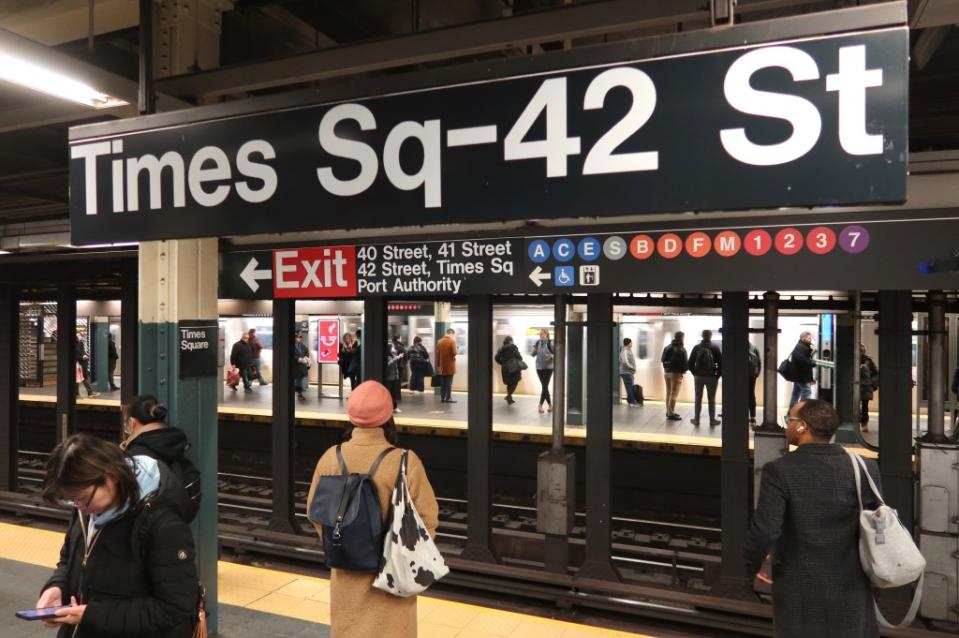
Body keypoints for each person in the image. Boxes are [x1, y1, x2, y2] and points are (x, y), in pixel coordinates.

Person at [306, 381, 439, 638]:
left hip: (346, 581)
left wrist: (346, 543)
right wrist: (400, 553)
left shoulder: (331, 457)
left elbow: (315, 512)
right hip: (393, 583)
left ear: (351, 416)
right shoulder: (405, 461)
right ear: (388, 416)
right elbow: (428, 519)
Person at [36, 433, 199, 637]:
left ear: (112, 476)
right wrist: (57, 587)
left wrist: (92, 615)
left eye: (83, 499)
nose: (79, 507)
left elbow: (174, 608)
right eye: (72, 500)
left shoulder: (162, 524)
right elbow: (69, 560)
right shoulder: (86, 510)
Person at [744, 399, 882, 638]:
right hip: (851, 587)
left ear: (803, 426)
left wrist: (749, 566)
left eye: (790, 420)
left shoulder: (779, 471)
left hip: (800, 591)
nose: (787, 425)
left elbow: (766, 530)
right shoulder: (864, 468)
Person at [120, 395, 201, 523]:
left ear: (131, 423)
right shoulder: (177, 445)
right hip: (174, 527)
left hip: (144, 532)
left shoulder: (135, 457)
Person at [687, 329, 721, 426]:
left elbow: (689, 363)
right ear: (710, 336)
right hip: (711, 377)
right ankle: (712, 420)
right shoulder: (715, 348)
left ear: (702, 336)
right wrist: (717, 376)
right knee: (711, 399)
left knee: (698, 398)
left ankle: (696, 419)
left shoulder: (696, 348)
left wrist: (695, 373)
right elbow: (721, 363)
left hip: (699, 377)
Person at [661, 331, 687, 420]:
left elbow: (662, 359)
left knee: (668, 392)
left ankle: (669, 412)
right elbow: (685, 363)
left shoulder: (667, 347)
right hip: (676, 373)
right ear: (681, 337)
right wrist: (683, 371)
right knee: (674, 394)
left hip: (667, 372)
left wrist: (667, 368)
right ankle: (671, 413)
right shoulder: (682, 349)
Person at [789, 331, 817, 407]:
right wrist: (812, 363)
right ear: (803, 338)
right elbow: (803, 361)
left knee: (796, 394)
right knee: (807, 392)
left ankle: (791, 412)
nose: (810, 339)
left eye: (810, 338)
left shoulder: (802, 346)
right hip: (802, 376)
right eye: (809, 338)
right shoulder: (801, 347)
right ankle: (802, 412)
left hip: (799, 376)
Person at [494, 336, 524, 404]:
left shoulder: (501, 348)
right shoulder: (513, 347)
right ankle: (509, 395)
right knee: (515, 381)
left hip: (505, 369)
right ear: (510, 341)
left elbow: (496, 358)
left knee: (509, 383)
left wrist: (502, 363)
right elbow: (519, 357)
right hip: (513, 368)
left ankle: (509, 398)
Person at [531, 328, 555, 414]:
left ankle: (540, 405)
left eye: (542, 334)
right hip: (539, 368)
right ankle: (550, 405)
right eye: (539, 334)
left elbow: (558, 353)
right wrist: (534, 350)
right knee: (544, 386)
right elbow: (532, 355)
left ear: (546, 334)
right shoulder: (538, 343)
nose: (540, 336)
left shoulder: (551, 343)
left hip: (548, 368)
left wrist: (551, 357)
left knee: (544, 386)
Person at [859, 344, 879, 433]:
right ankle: (859, 422)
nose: (861, 352)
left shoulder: (868, 360)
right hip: (857, 386)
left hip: (865, 387)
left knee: (864, 407)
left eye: (862, 350)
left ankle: (864, 424)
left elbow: (876, 373)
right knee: (855, 407)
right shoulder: (852, 360)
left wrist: (871, 382)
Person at [436, 328, 457, 403]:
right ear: (451, 333)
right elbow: (454, 353)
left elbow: (438, 355)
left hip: (442, 366)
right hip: (450, 366)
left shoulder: (439, 341)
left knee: (443, 383)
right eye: (453, 335)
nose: (453, 336)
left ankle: (442, 397)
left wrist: (438, 366)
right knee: (449, 383)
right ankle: (448, 398)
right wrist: (456, 349)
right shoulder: (452, 341)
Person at [75, 333, 100, 398]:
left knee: (80, 378)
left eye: (80, 335)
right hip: (78, 364)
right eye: (79, 335)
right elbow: (76, 354)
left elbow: (81, 352)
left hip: (80, 363)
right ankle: (89, 392)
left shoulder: (80, 343)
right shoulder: (77, 344)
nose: (80, 336)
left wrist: (85, 355)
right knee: (82, 378)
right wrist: (82, 357)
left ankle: (79, 393)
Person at [619, 338, 640, 407]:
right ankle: (632, 402)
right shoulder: (625, 350)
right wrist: (632, 367)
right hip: (626, 372)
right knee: (629, 387)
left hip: (628, 372)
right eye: (631, 342)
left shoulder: (627, 350)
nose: (632, 344)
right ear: (629, 343)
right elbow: (625, 361)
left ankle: (630, 400)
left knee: (630, 387)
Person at [385, 340, 404, 412]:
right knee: (389, 394)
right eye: (392, 347)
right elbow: (388, 364)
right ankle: (391, 407)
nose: (394, 348)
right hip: (389, 378)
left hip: (395, 377)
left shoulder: (392, 355)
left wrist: (398, 357)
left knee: (393, 393)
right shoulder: (387, 356)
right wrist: (396, 358)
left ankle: (394, 407)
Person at [748, 342, 762, 425]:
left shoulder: (738, 347)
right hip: (752, 374)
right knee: (751, 395)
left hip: (741, 375)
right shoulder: (754, 348)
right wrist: (757, 373)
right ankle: (752, 417)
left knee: (741, 395)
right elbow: (759, 361)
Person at [294, 331, 311, 400]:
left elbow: (306, 352)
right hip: (295, 366)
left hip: (301, 367)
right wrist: (298, 359)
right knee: (297, 380)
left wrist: (306, 358)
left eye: (300, 337)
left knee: (299, 379)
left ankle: (299, 392)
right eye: (298, 337)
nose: (300, 338)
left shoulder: (302, 345)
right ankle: (299, 393)